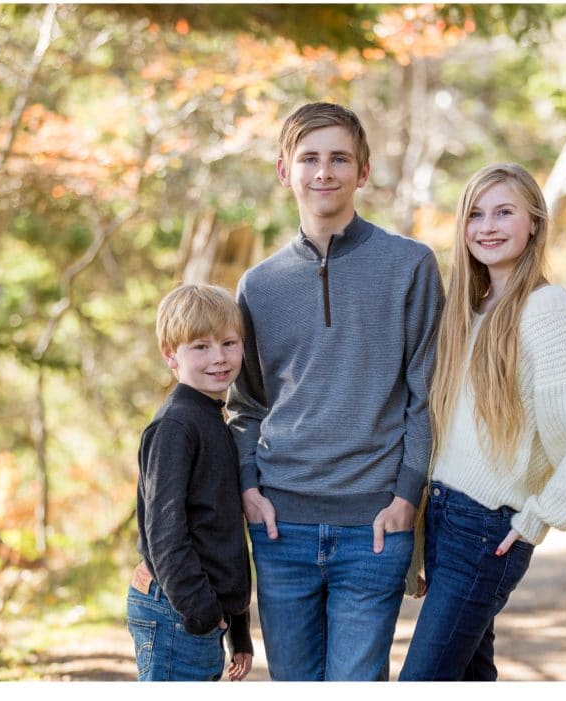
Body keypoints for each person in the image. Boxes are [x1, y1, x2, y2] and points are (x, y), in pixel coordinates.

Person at [227, 102, 444, 681]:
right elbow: (246, 404)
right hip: (280, 527)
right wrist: (249, 487)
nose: (324, 172)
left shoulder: (411, 266)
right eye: (309, 158)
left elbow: (426, 394)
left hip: (374, 525)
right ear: (284, 171)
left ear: (363, 172)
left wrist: (407, 496)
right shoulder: (259, 285)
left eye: (339, 158)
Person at [398, 163, 566, 681]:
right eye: (475, 214)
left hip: (486, 528)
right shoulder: (467, 311)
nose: (488, 226)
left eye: (504, 212)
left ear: (535, 224)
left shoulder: (546, 307)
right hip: (446, 519)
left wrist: (541, 516)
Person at [126, 283, 254, 682]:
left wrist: (239, 630)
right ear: (171, 356)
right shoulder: (176, 426)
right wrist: (202, 612)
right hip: (176, 612)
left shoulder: (214, 420)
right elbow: (164, 533)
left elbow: (222, 533)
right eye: (200, 347)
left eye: (229, 343)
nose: (219, 357)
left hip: (197, 611)